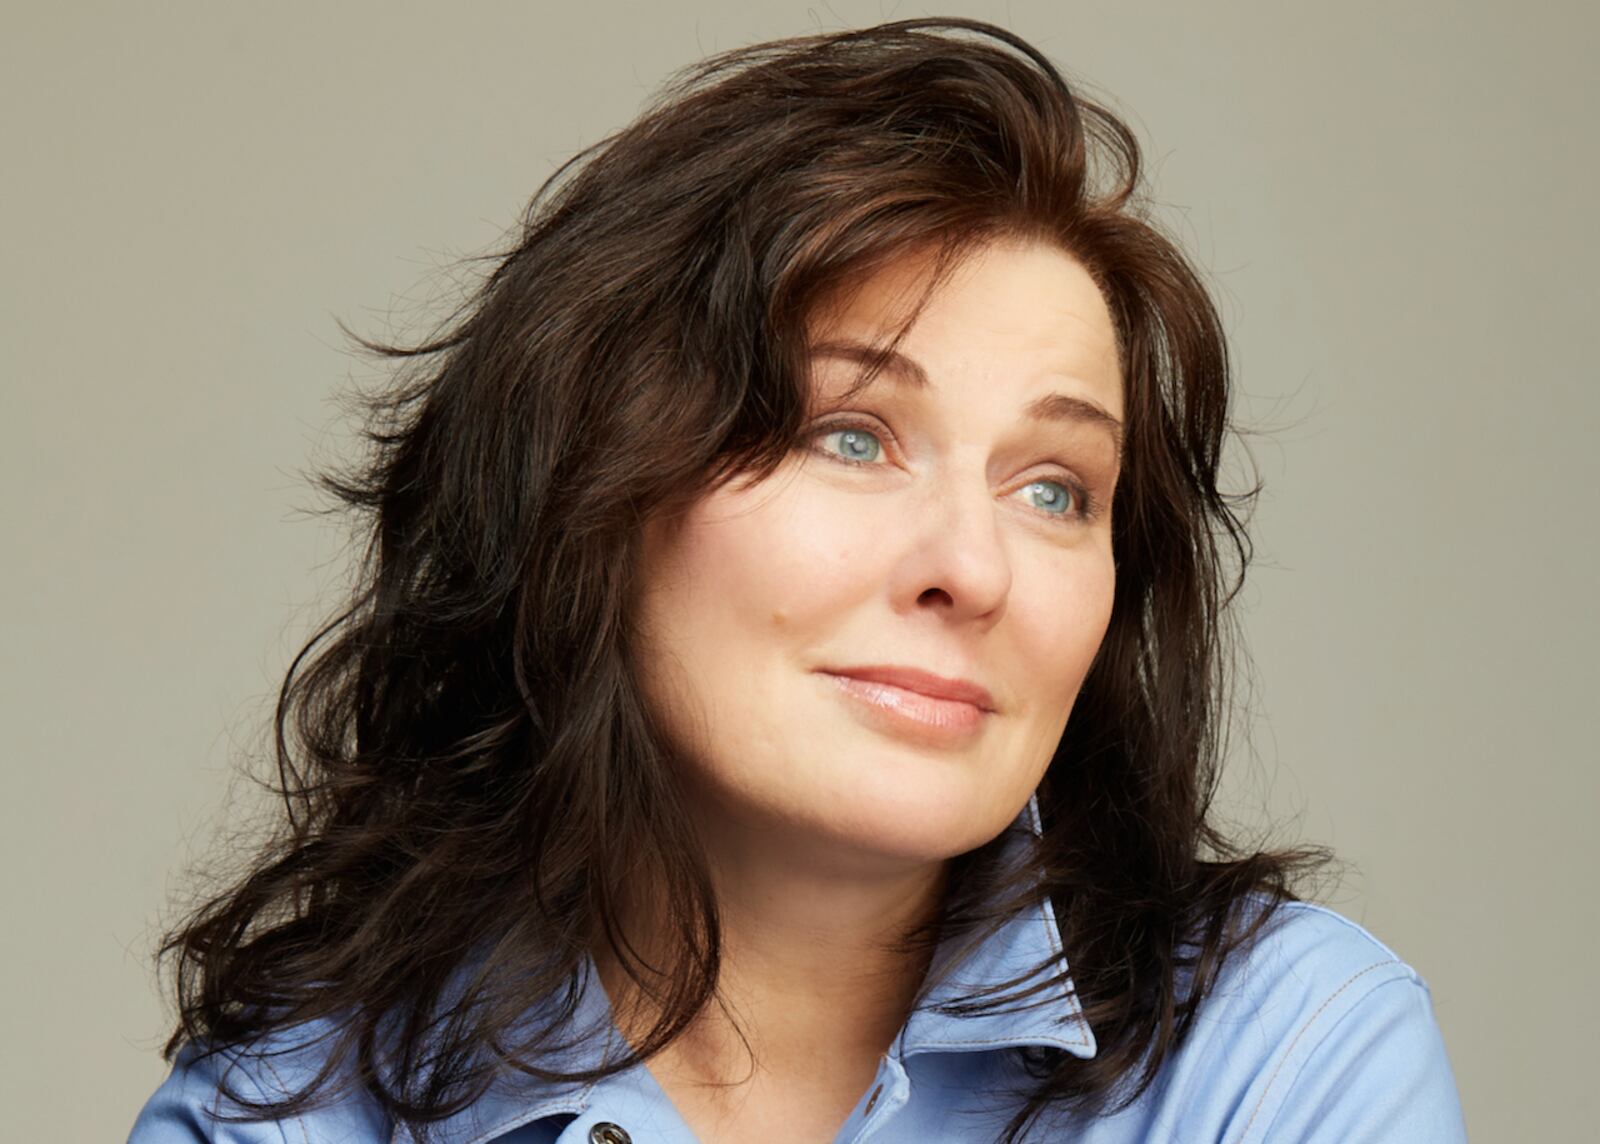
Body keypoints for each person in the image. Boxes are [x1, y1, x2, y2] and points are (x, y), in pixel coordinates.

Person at [128, 17, 1467, 1143]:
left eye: (1055, 488)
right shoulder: (280, 1113)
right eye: (853, 436)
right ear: (594, 484)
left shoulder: (1285, 1063)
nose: (970, 568)